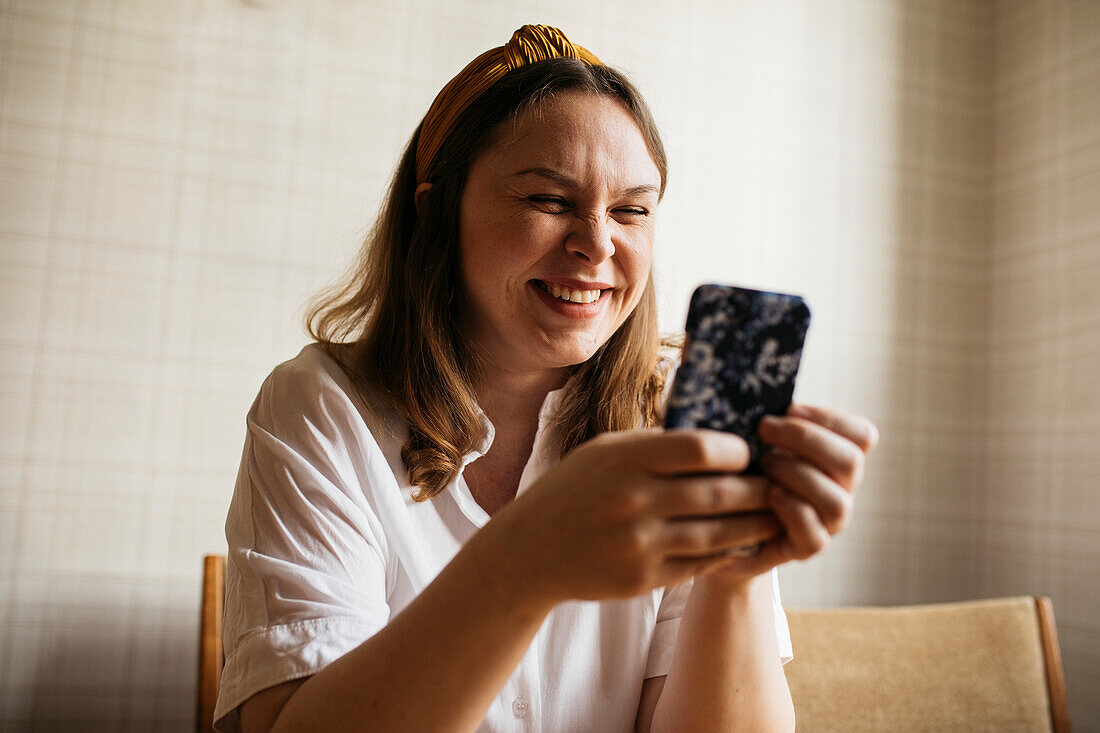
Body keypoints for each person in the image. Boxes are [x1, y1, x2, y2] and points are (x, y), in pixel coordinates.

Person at [214, 24, 878, 733]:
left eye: (631, 210)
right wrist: (525, 560)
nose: (597, 242)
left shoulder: (679, 424)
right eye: (549, 201)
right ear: (437, 210)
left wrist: (734, 569)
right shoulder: (320, 408)